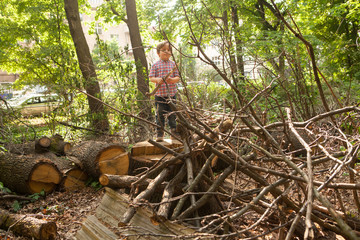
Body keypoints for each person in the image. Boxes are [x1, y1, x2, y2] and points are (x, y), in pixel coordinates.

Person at [149, 41, 180, 142]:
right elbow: (151, 78)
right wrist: (158, 80)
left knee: (172, 115)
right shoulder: (155, 65)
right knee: (160, 115)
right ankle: (160, 134)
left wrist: (172, 80)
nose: (166, 52)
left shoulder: (173, 64)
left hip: (171, 94)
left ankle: (174, 133)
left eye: (168, 50)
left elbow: (177, 77)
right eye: (164, 50)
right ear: (158, 53)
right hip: (159, 95)